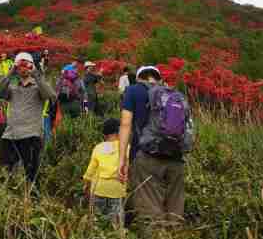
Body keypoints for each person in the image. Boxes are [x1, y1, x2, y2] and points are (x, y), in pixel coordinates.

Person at [118, 66, 194, 226]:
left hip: (147, 158)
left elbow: (125, 124)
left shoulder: (133, 91)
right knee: (175, 210)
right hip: (176, 158)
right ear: (158, 79)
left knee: (150, 211)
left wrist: (122, 159)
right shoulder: (175, 96)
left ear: (139, 78)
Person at [0, 52, 57, 194]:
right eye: (20, 65)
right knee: (6, 171)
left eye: (26, 64)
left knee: (31, 174)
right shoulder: (13, 86)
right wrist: (10, 72)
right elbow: (0, 93)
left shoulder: (39, 86)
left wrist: (36, 74)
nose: (23, 68)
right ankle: (10, 198)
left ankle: (32, 199)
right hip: (10, 134)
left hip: (31, 135)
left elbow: (51, 96)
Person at [83, 118, 127, 226]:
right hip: (116, 191)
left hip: (98, 190)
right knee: (116, 224)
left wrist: (87, 189)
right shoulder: (126, 148)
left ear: (105, 134)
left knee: (96, 223)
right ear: (119, 132)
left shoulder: (98, 148)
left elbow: (89, 173)